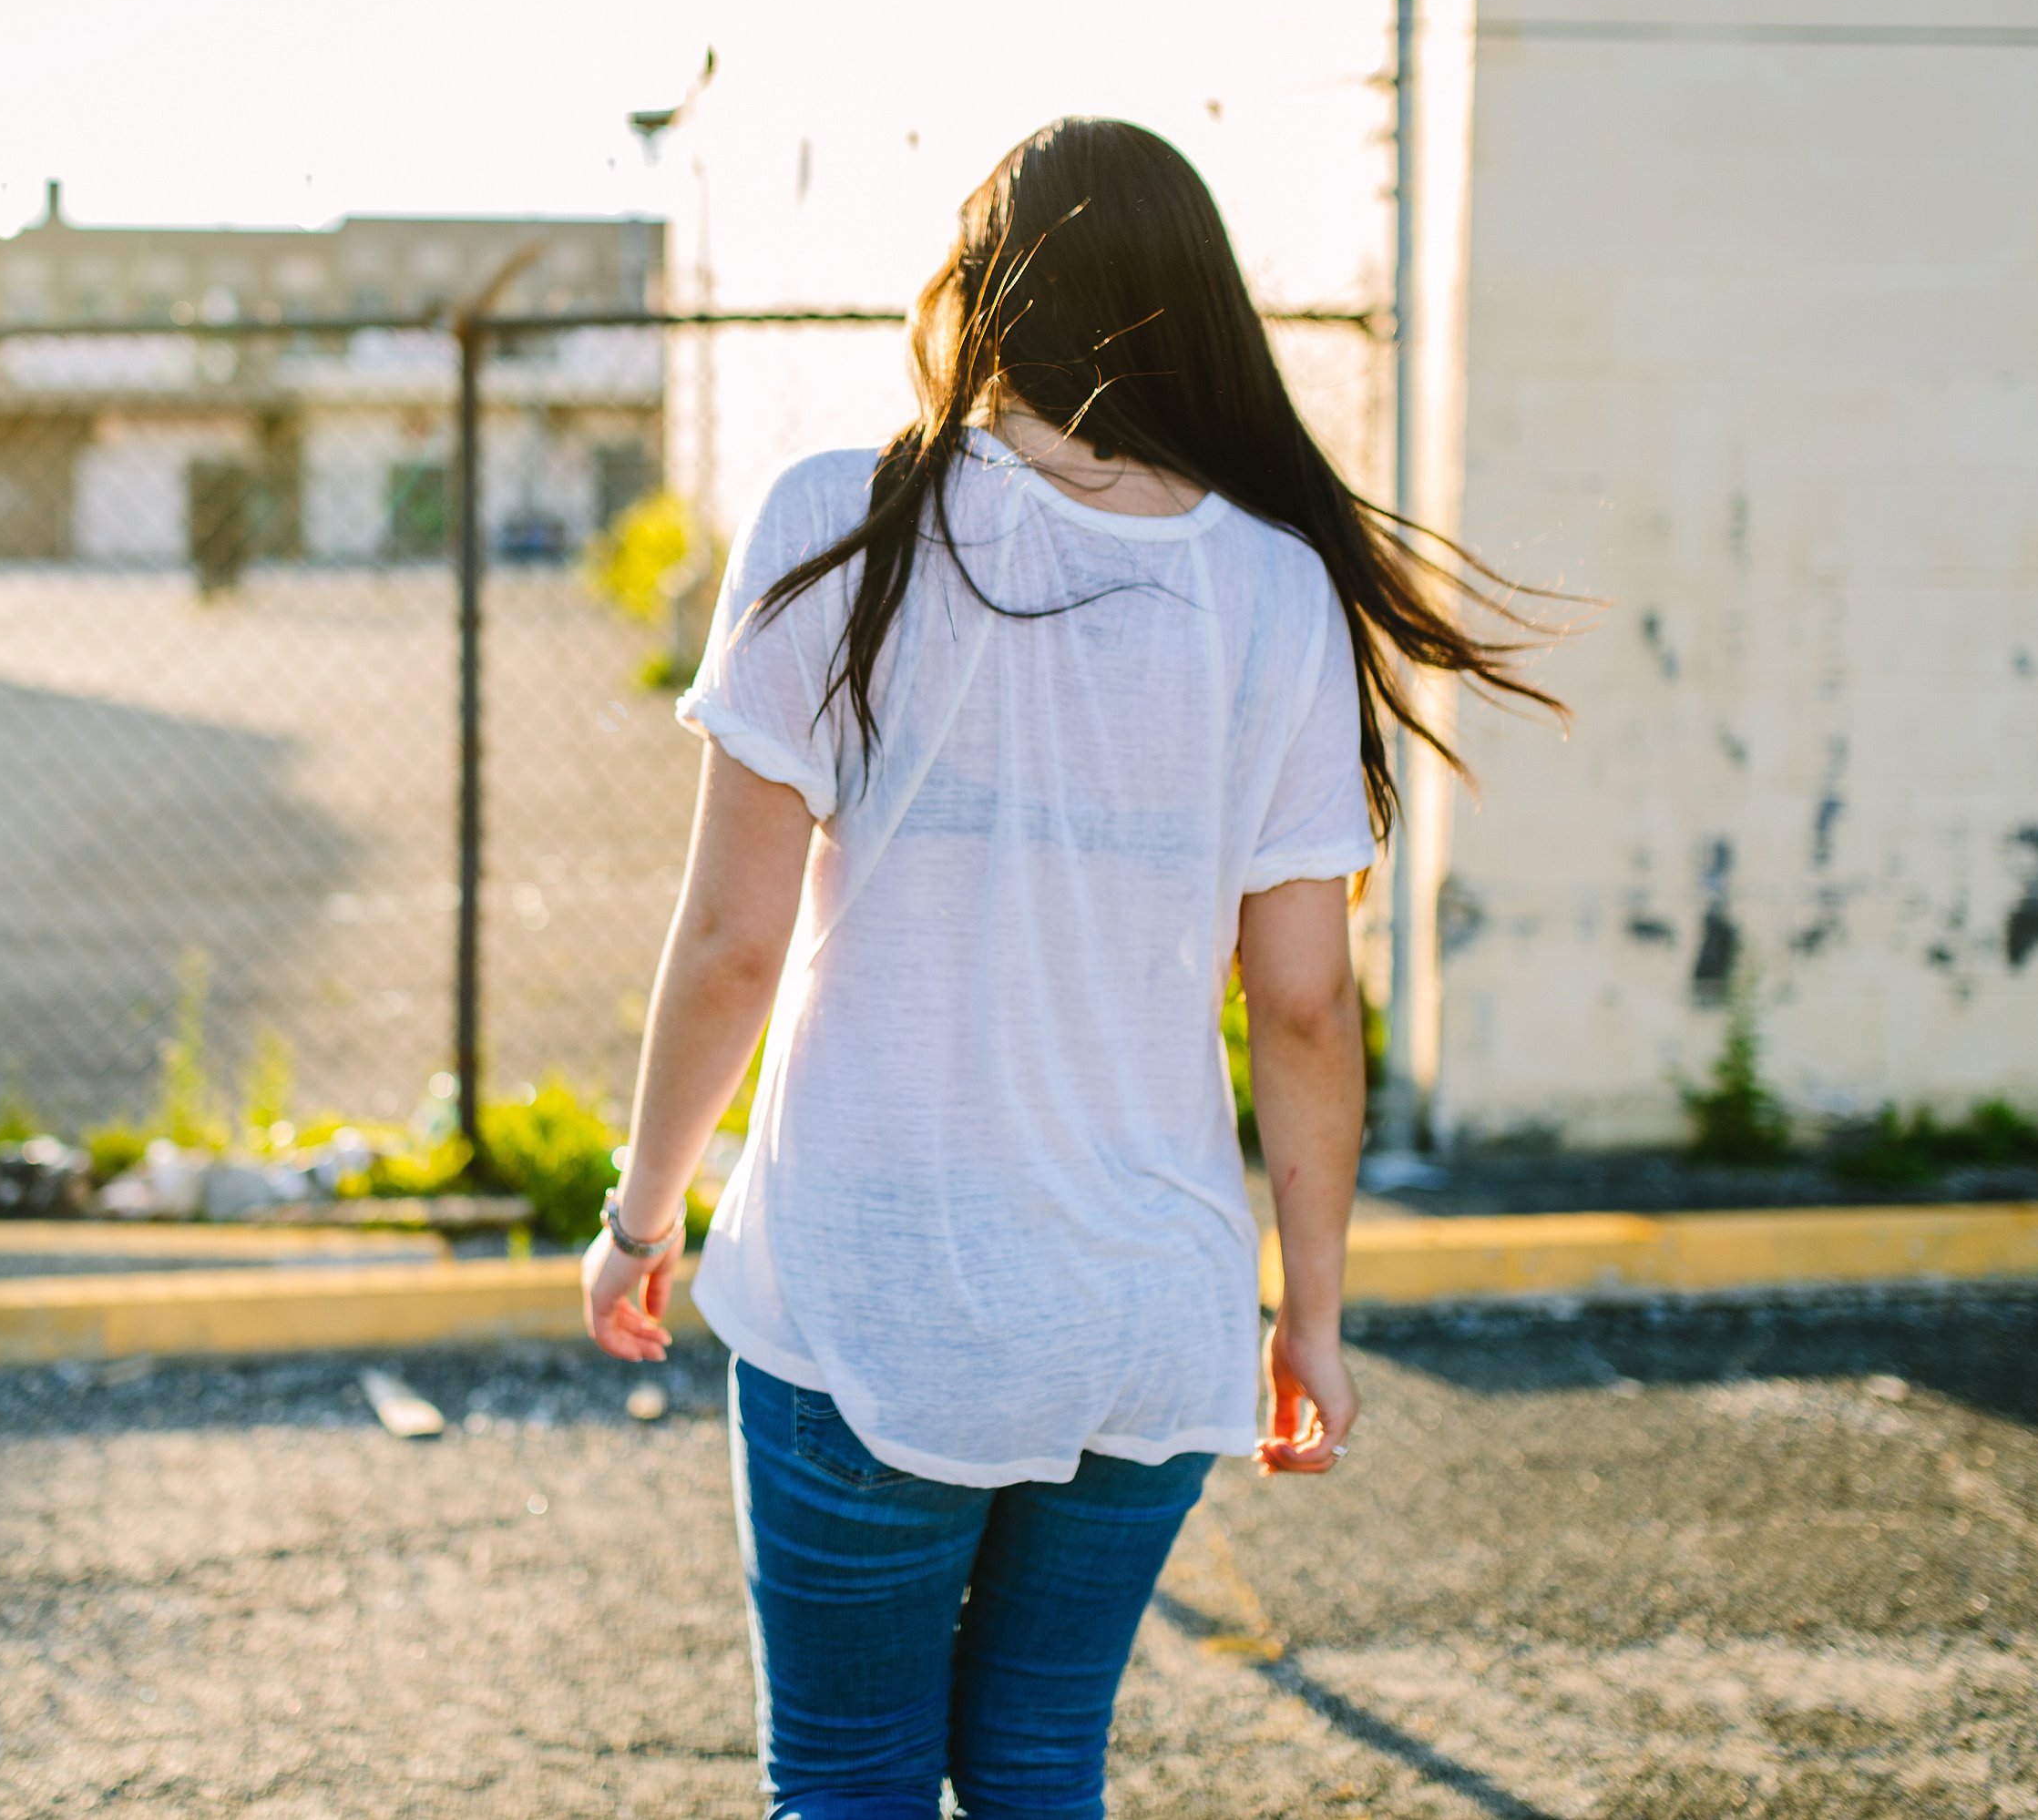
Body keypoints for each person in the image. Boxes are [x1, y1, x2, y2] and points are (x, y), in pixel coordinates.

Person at [583, 117, 1555, 1820]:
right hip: (1144, 1309)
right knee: (1041, 1768)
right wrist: (1310, 1313)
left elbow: (737, 942)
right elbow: (1308, 1005)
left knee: (848, 1783)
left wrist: (641, 1217)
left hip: (871, 1290)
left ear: (983, 291)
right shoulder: (1275, 585)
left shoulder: (848, 517)